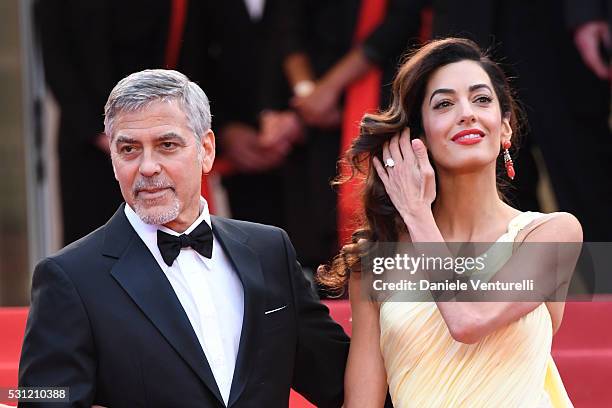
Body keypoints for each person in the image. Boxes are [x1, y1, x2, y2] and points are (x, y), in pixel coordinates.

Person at [18, 70, 350, 407]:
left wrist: (399, 244)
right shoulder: (70, 278)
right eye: (129, 149)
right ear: (114, 162)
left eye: (167, 145)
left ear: (206, 150)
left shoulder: (270, 252)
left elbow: (345, 383)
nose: (147, 167)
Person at [318, 38, 582, 407]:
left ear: (505, 128)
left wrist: (416, 214)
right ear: (418, 137)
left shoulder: (551, 233)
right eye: (444, 103)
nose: (467, 113)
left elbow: (469, 318)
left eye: (482, 99)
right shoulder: (377, 262)